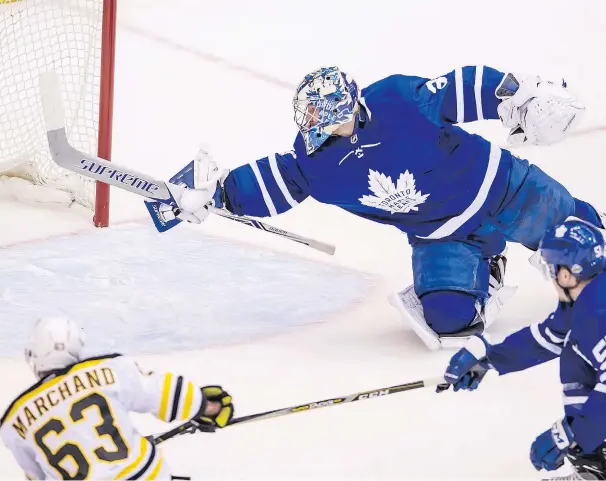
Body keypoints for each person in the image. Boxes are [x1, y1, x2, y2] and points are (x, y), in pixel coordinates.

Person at [156, 65, 604, 350]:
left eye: (324, 120)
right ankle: (486, 265)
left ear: (347, 106)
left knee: (590, 254)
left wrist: (515, 94)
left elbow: (458, 88)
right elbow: (273, 182)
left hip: (502, 189)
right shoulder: (314, 161)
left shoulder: (397, 100)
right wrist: (213, 194)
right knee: (449, 321)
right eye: (310, 123)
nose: (316, 131)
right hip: (444, 236)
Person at [440, 218, 606, 480]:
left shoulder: (597, 313)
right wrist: (489, 357)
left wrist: (573, 433)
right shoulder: (587, 297)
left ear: (565, 274)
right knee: (575, 353)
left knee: (577, 361)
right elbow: (548, 337)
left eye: (551, 270)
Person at [0, 316, 234, 480]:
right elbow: (166, 394)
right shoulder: (109, 370)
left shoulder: (14, 422)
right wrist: (205, 406)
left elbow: (37, 475)